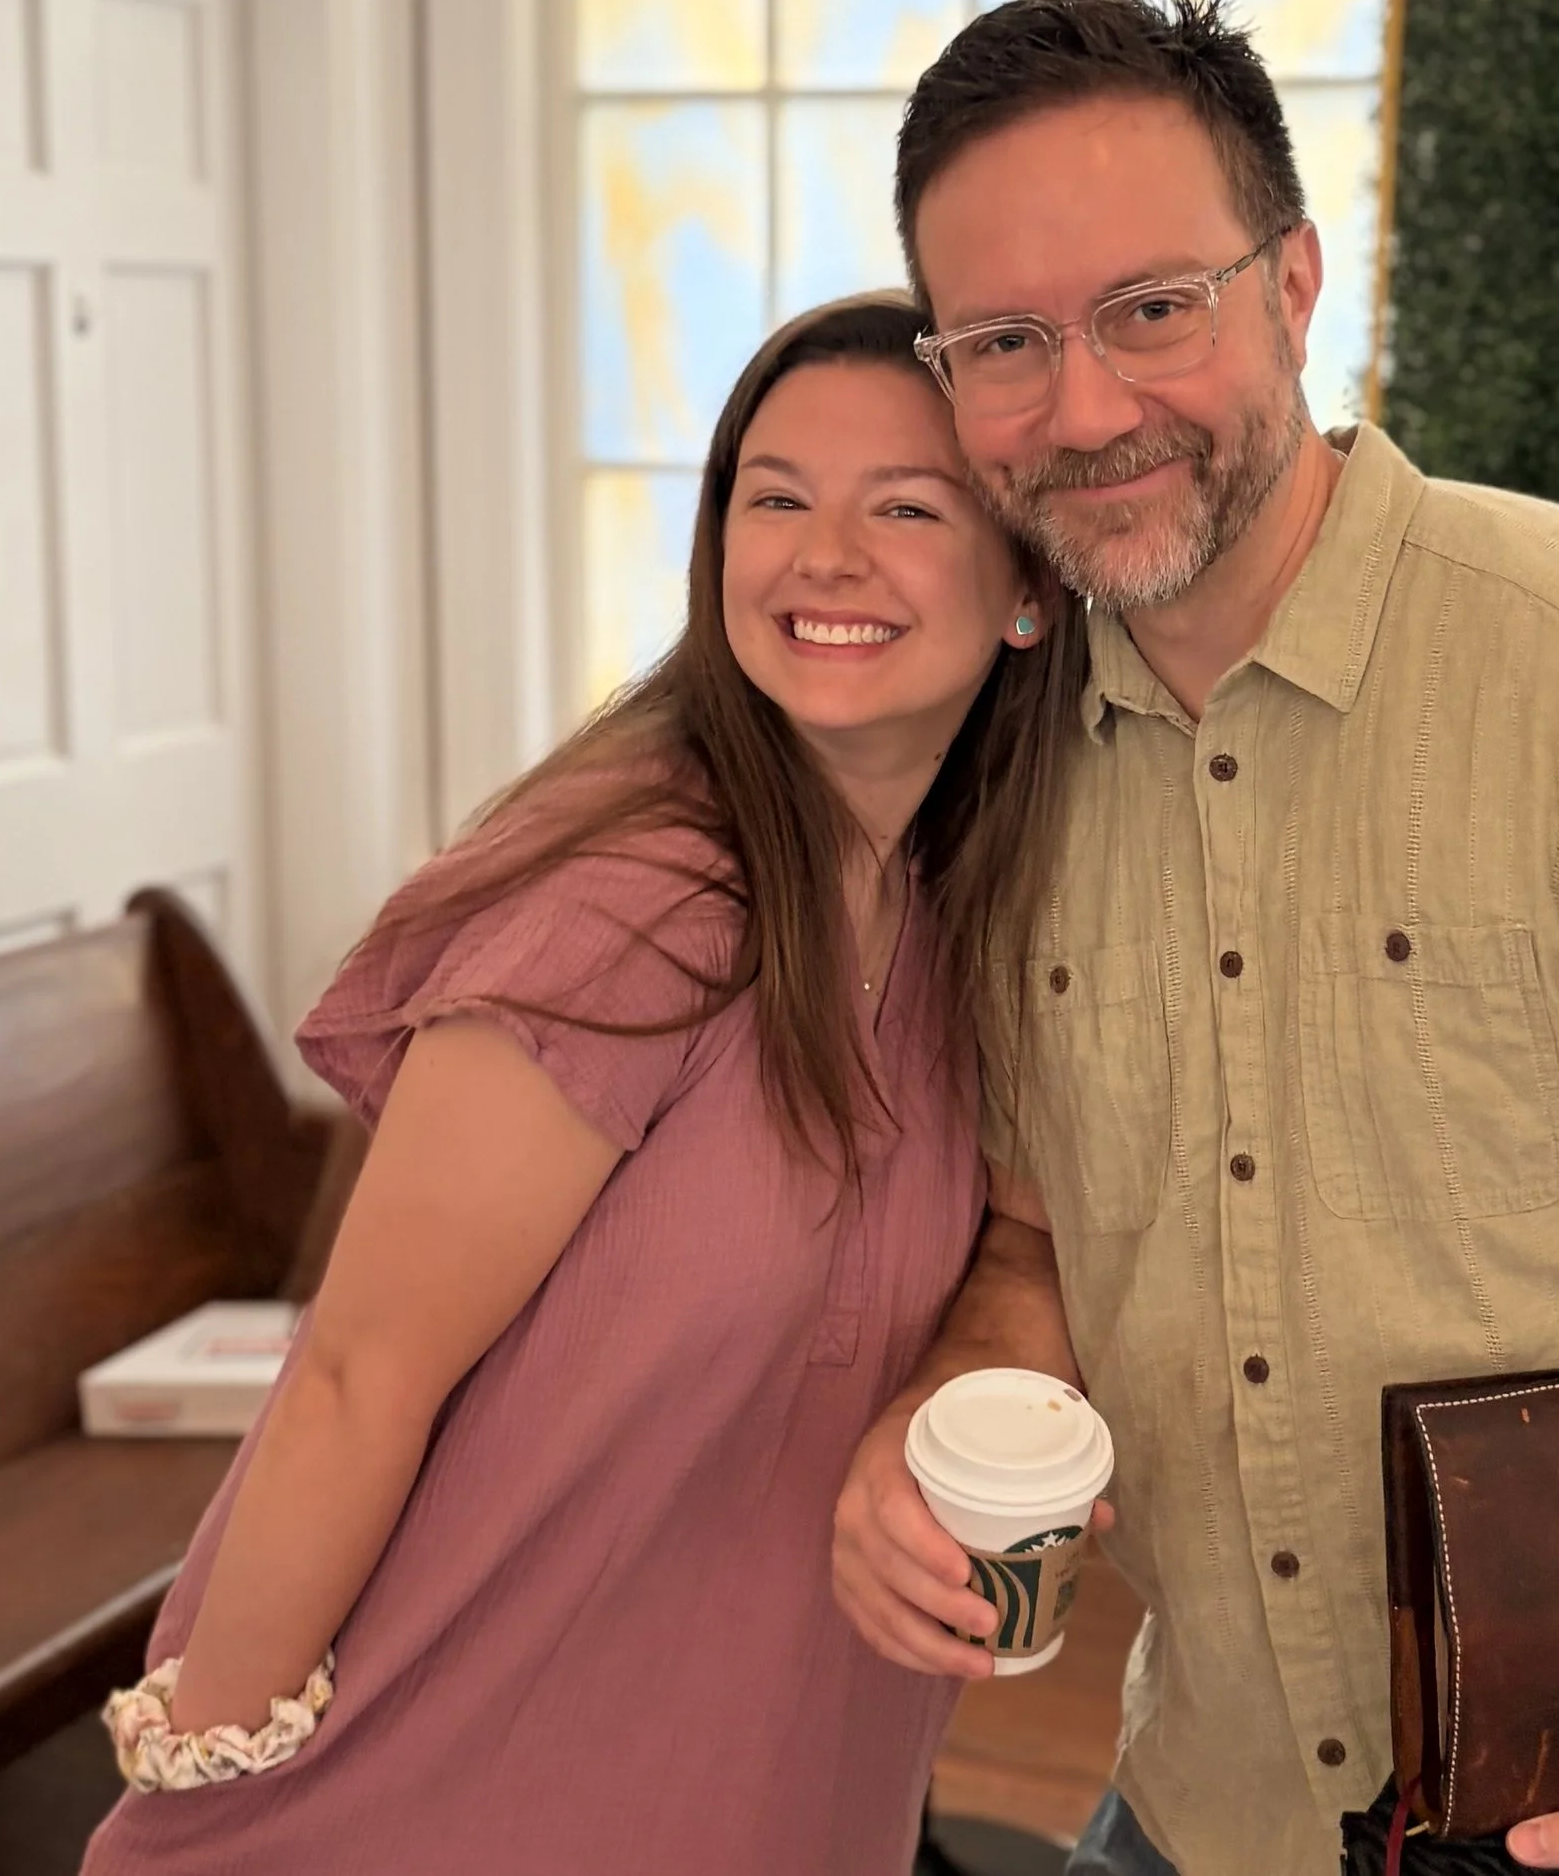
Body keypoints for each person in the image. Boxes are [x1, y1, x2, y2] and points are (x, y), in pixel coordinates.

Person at [830, 0, 1559, 1876]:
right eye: (1006, 343)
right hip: (1204, 1804)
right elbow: (1043, 1233)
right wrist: (948, 1413)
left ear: (1294, 286)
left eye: (1154, 306)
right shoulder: (1012, 766)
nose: (1088, 406)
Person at [82, 293, 1084, 1876]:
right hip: (444, 1787)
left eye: (905, 508)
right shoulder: (637, 890)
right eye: (775, 498)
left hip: (779, 1774)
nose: (825, 557)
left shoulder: (975, 910)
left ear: (1028, 584)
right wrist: (202, 1775)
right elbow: (355, 1376)